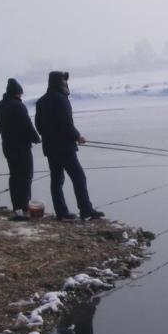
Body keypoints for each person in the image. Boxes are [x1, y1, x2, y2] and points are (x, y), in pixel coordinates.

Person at [34, 71, 104, 221]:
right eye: (65, 81)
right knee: (79, 177)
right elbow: (66, 124)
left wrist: (49, 136)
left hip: (50, 147)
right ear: (60, 83)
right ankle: (86, 209)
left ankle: (61, 212)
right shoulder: (61, 99)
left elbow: (38, 126)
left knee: (56, 180)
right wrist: (77, 136)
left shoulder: (41, 101)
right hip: (65, 147)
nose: (67, 84)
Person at [0, 78, 41, 221]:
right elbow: (27, 125)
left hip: (7, 146)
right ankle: (24, 207)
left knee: (14, 176)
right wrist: (36, 138)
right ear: (17, 93)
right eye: (21, 94)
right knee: (26, 176)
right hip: (21, 147)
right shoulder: (18, 106)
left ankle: (17, 207)